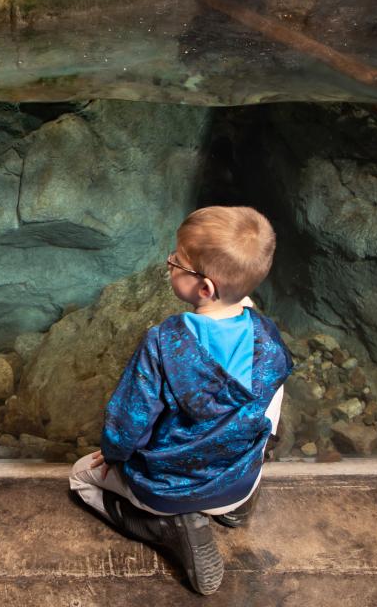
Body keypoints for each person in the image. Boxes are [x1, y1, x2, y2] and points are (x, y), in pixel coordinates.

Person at [69, 206, 292, 595]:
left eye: (176, 261)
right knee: (258, 431)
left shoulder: (163, 342)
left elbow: (129, 419)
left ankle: (167, 528)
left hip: (167, 490)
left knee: (78, 477)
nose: (169, 263)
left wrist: (114, 453)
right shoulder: (269, 340)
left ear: (204, 289)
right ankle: (236, 509)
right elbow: (269, 415)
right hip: (237, 480)